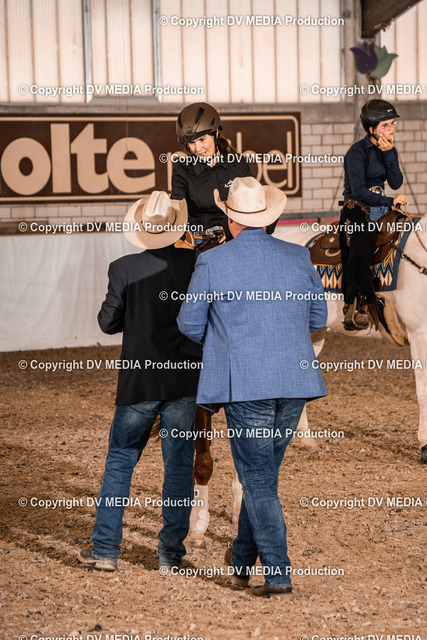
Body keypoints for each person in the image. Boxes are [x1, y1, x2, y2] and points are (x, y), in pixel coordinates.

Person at [177, 177, 328, 596]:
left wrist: (226, 342)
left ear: (230, 219)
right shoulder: (299, 256)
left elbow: (189, 323)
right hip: (295, 382)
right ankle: (242, 562)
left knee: (258, 479)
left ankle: (278, 574)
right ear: (267, 218)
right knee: (262, 475)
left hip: (245, 384)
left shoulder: (213, 262)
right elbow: (319, 318)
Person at [77, 191, 202, 572]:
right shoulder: (197, 264)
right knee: (178, 467)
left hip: (139, 382)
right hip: (183, 381)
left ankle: (105, 550)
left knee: (120, 461)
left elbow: (107, 323)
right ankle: (170, 556)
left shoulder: (123, 267)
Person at [340, 99, 408, 330]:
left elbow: (396, 182)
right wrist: (390, 201)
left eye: (393, 124)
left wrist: (389, 155)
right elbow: (359, 190)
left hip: (380, 206)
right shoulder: (356, 152)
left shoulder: (389, 149)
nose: (391, 129)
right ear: (371, 129)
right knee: (362, 242)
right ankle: (353, 302)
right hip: (357, 207)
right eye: (385, 126)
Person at [172, 101, 279, 244]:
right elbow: (179, 215)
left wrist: (230, 234)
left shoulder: (238, 164)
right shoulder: (182, 170)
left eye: (202, 139)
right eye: (192, 143)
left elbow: (252, 206)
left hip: (236, 240)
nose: (197, 148)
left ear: (216, 133)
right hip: (198, 244)